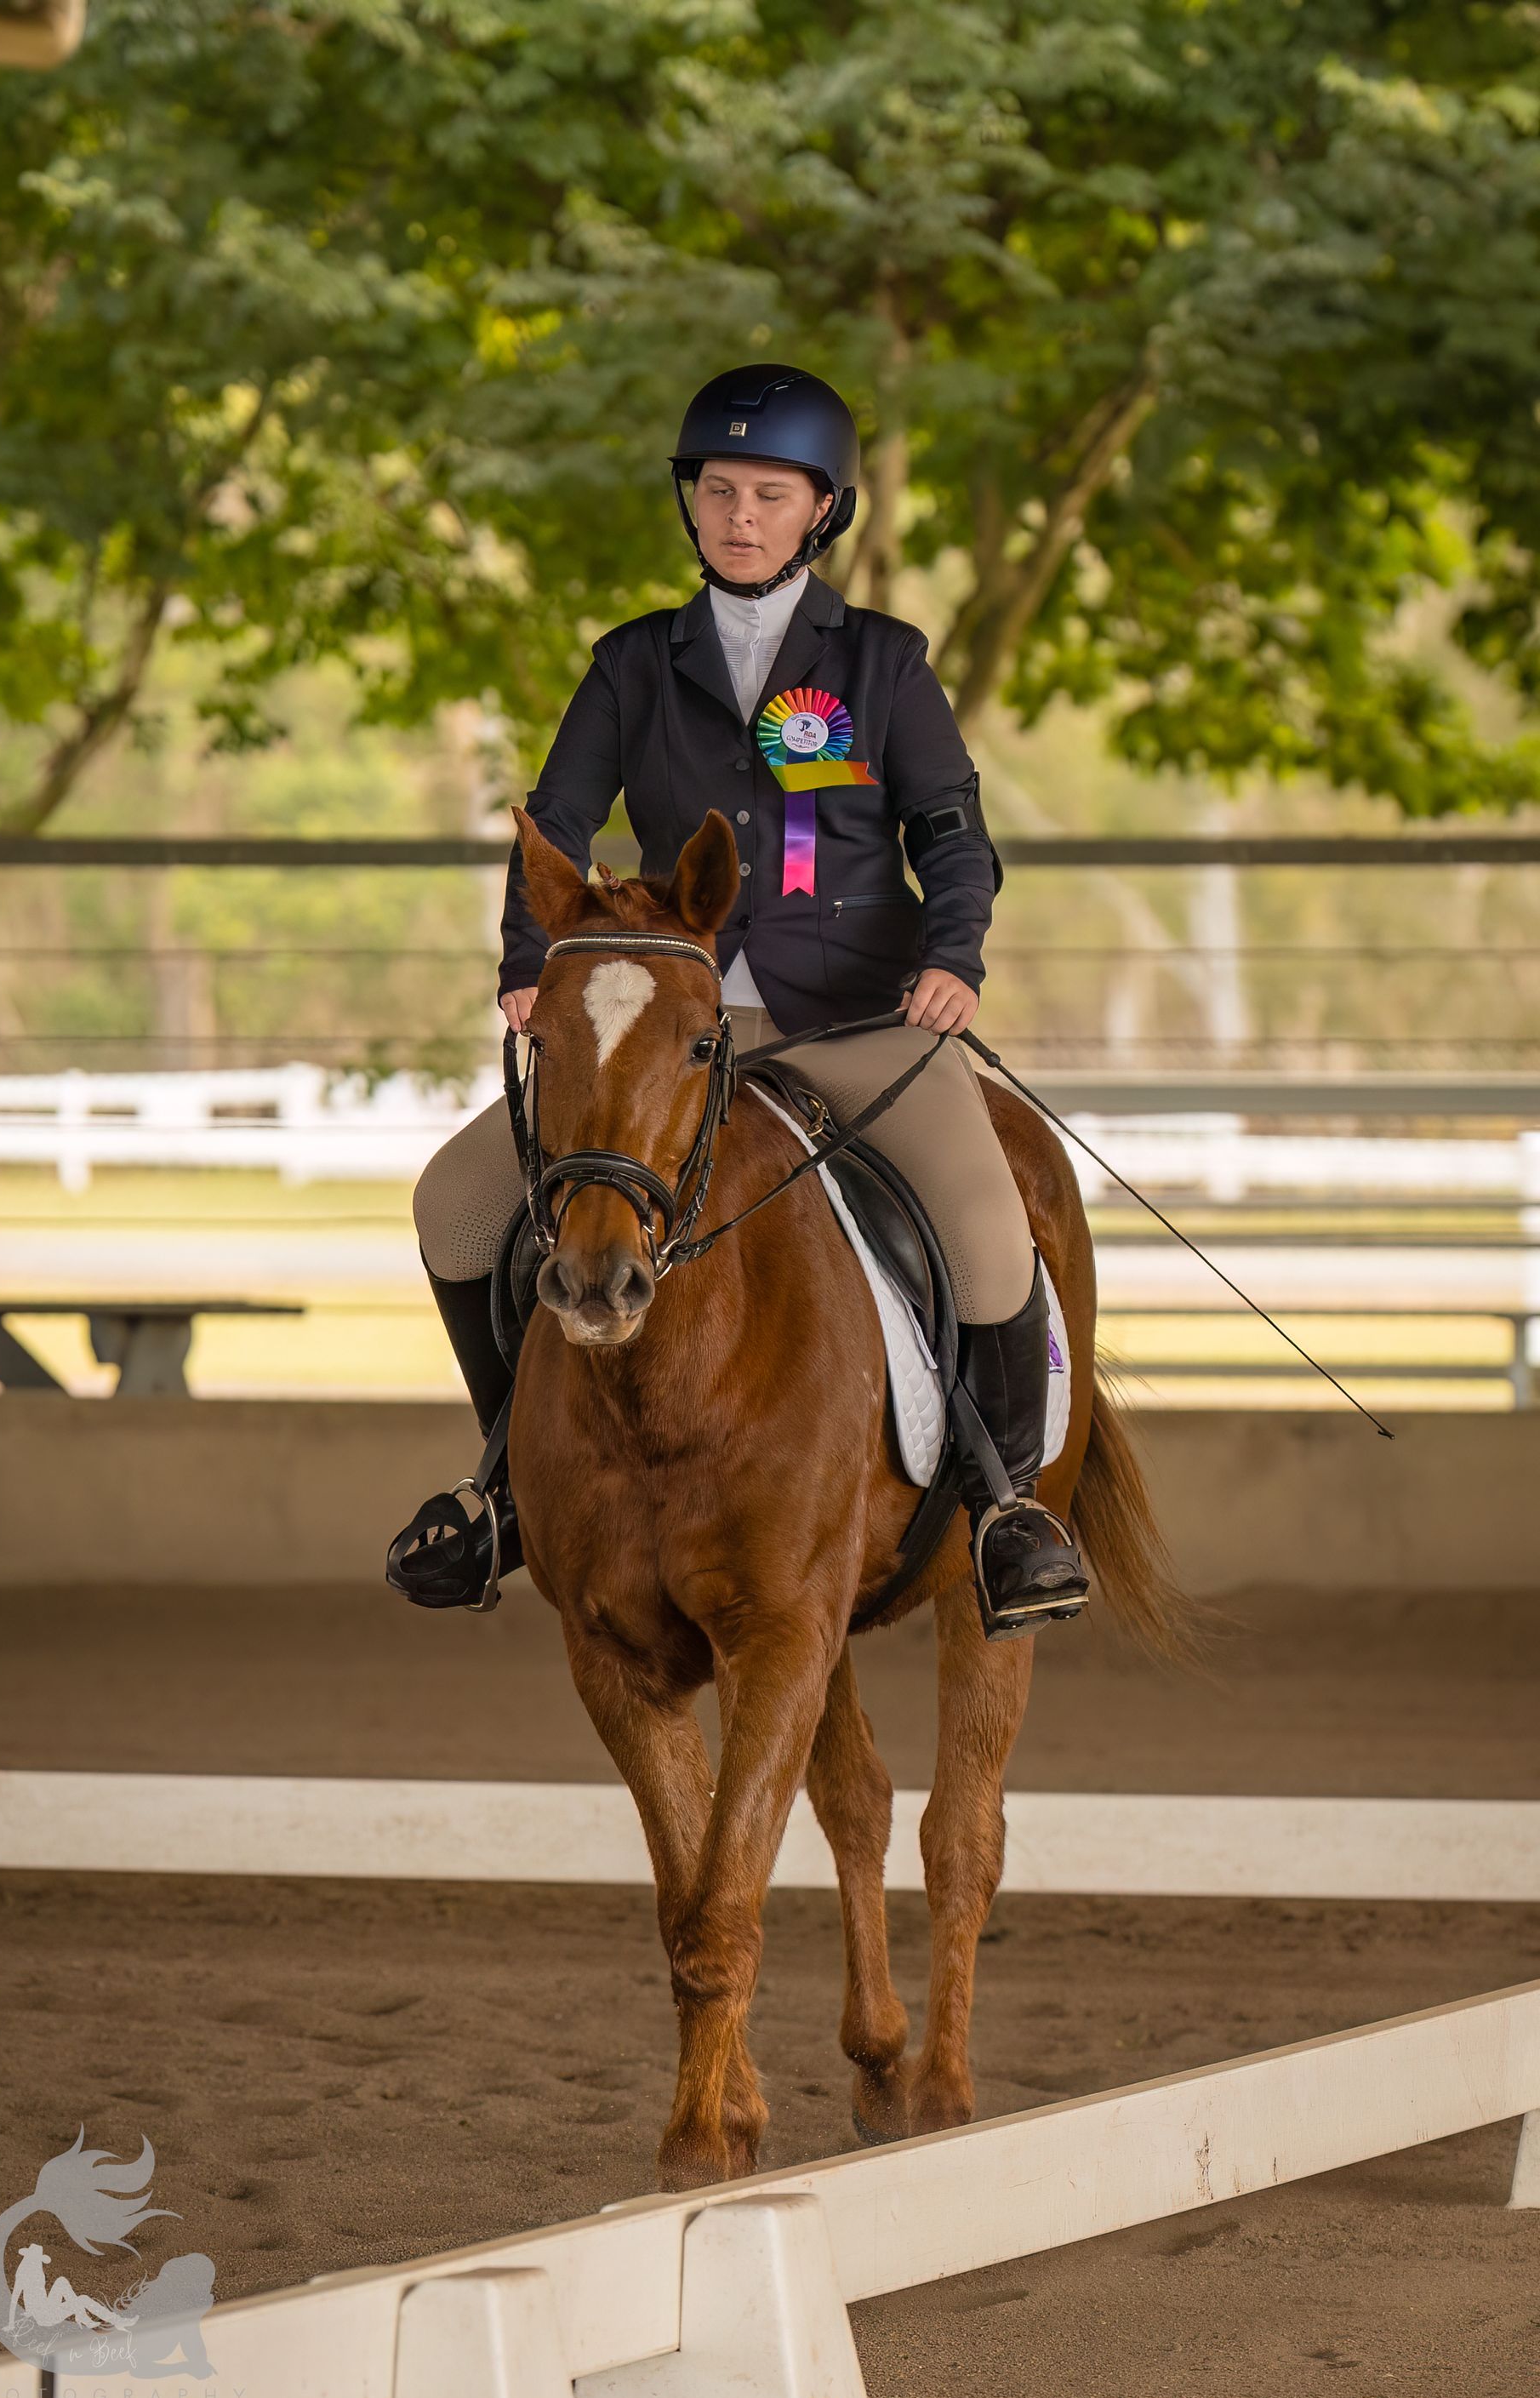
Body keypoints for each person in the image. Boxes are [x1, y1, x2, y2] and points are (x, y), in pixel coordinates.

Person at [392, 363, 1088, 1637]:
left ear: (821, 511)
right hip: (673, 1026)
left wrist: (956, 952)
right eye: (719, 490)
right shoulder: (631, 666)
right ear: (692, 505)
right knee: (455, 1205)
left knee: (991, 1237)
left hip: (859, 1020)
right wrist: (522, 958)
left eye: (771, 494)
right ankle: (505, 1486)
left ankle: (1006, 1507)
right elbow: (553, 821)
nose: (740, 515)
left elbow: (951, 829)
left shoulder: (882, 664)